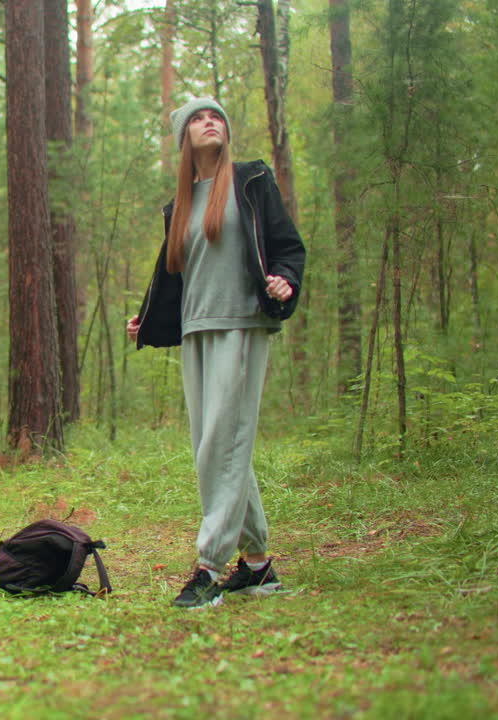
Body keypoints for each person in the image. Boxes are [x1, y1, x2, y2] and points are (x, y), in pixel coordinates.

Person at [127, 97, 306, 609]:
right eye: (200, 119)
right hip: (196, 330)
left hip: (241, 323)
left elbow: (288, 246)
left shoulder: (251, 182)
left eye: (218, 116)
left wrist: (285, 281)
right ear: (185, 137)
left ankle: (209, 566)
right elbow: (175, 273)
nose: (211, 122)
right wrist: (149, 315)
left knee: (220, 445)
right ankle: (256, 565)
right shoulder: (180, 204)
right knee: (217, 443)